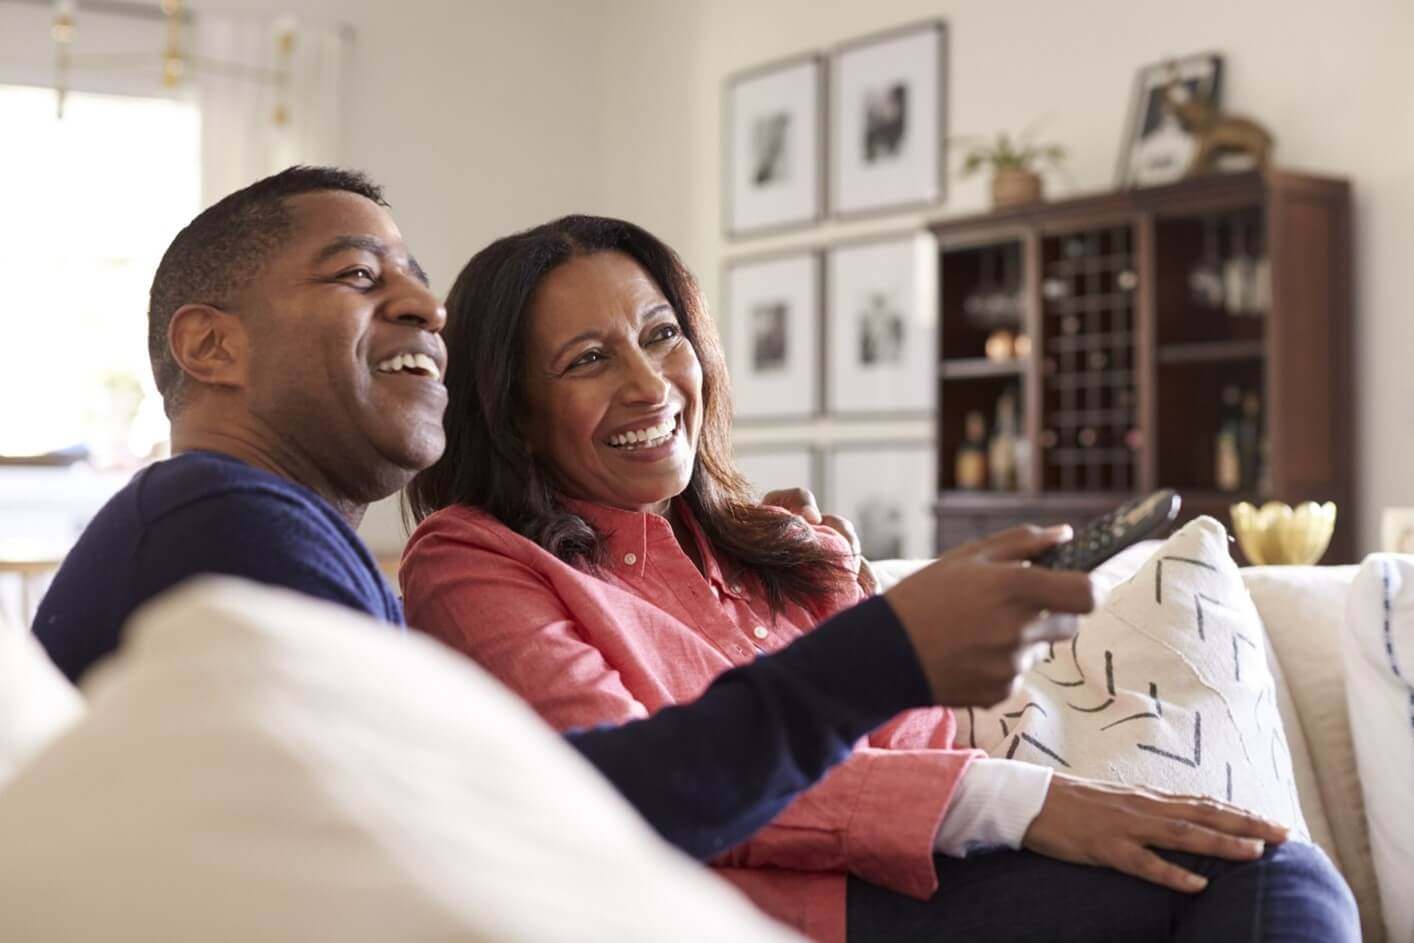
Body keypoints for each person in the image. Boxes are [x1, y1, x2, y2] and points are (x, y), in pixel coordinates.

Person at [33, 165, 1095, 864]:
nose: (425, 308)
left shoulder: (281, 541)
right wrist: (886, 650)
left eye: (418, 279)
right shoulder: (223, 520)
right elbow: (556, 822)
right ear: (211, 347)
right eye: (360, 276)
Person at [399, 214, 1358, 943]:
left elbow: (914, 742)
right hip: (774, 913)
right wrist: (1023, 800)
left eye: (661, 335)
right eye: (589, 360)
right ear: (515, 413)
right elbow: (634, 787)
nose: (651, 385)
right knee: (1259, 882)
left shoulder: (780, 545)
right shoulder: (473, 559)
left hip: (924, 878)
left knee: (1280, 870)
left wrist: (850, 598)